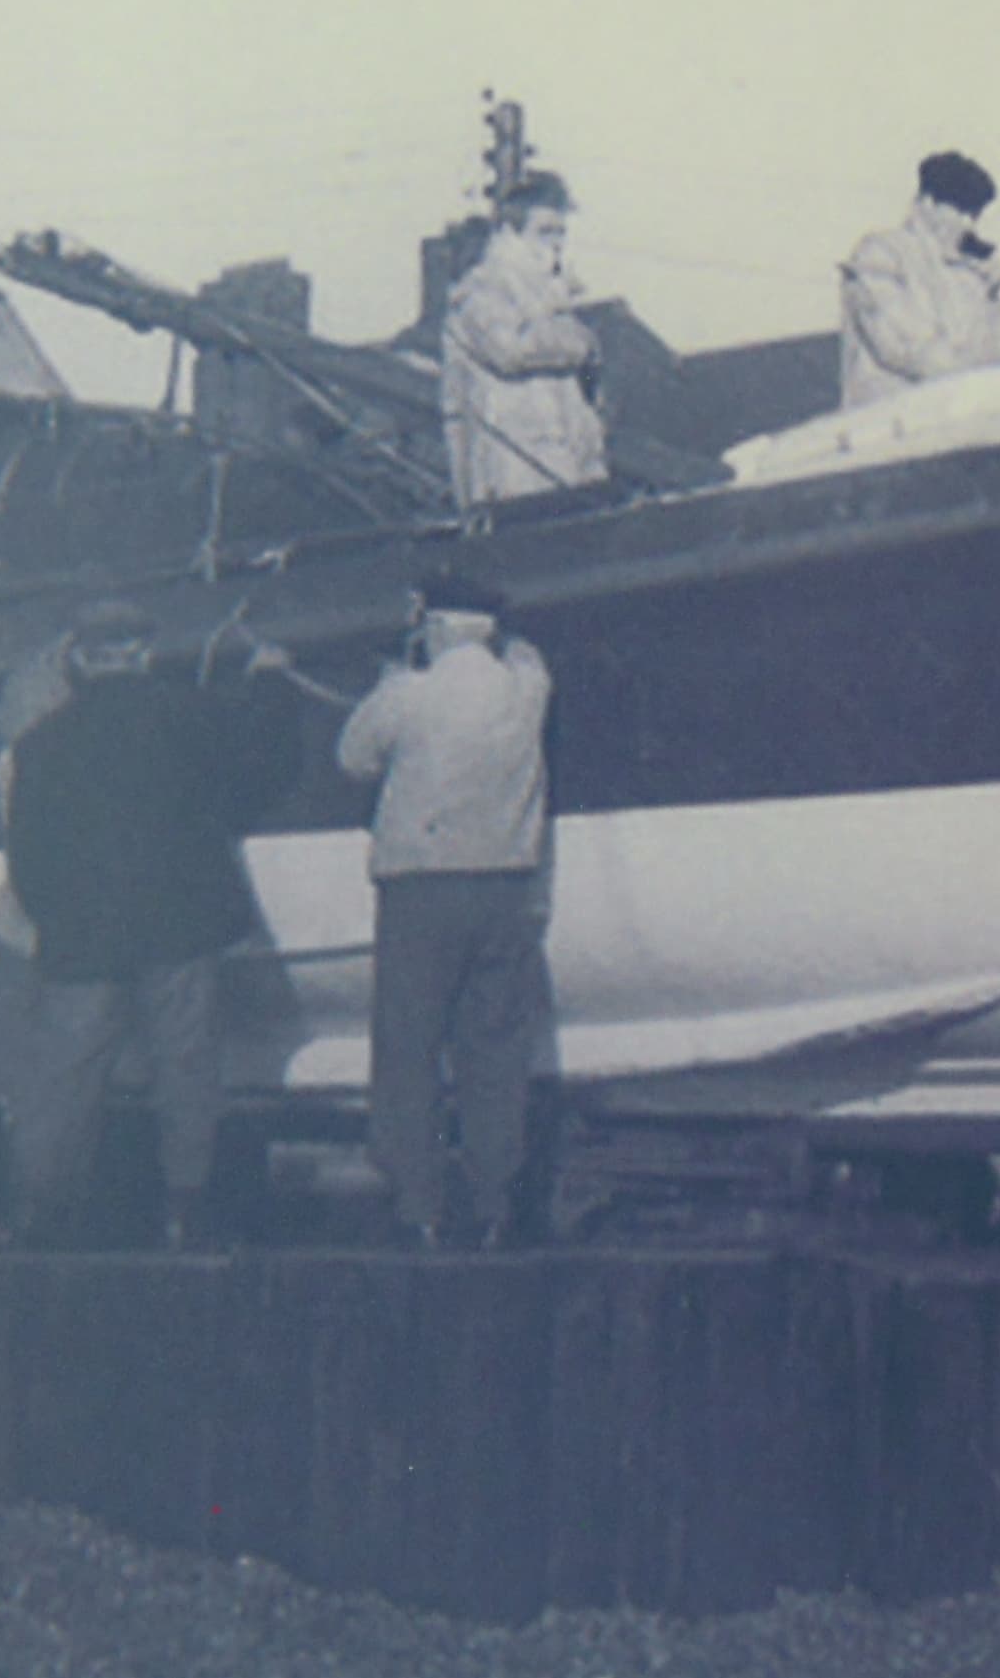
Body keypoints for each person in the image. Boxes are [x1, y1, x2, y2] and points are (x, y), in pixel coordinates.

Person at [1, 602, 303, 1249]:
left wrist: (58, 917)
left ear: (79, 660)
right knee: (187, 1070)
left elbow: (27, 858)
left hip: (84, 937)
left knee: (66, 1078)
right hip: (180, 928)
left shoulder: (40, 745)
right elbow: (257, 756)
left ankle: (45, 1213)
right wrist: (272, 676)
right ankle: (184, 1210)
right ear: (144, 650)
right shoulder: (187, 714)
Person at [337, 568, 557, 1250]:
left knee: (408, 1047)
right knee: (494, 1049)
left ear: (432, 627)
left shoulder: (408, 695)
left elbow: (353, 758)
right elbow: (526, 654)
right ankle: (494, 1205)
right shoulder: (527, 690)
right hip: (505, 890)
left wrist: (391, 675)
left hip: (421, 892)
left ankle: (418, 1204)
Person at [440, 171, 609, 509]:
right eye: (544, 231)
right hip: (514, 481)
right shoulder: (480, 291)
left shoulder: (548, 298)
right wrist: (581, 344)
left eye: (560, 232)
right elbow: (510, 349)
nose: (556, 243)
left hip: (562, 475)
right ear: (507, 234)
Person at [838, 150, 1000, 410]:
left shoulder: (971, 277)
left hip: (960, 417)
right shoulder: (882, 254)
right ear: (927, 203)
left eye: (974, 215)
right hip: (888, 427)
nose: (967, 225)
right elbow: (903, 346)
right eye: (960, 210)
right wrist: (984, 374)